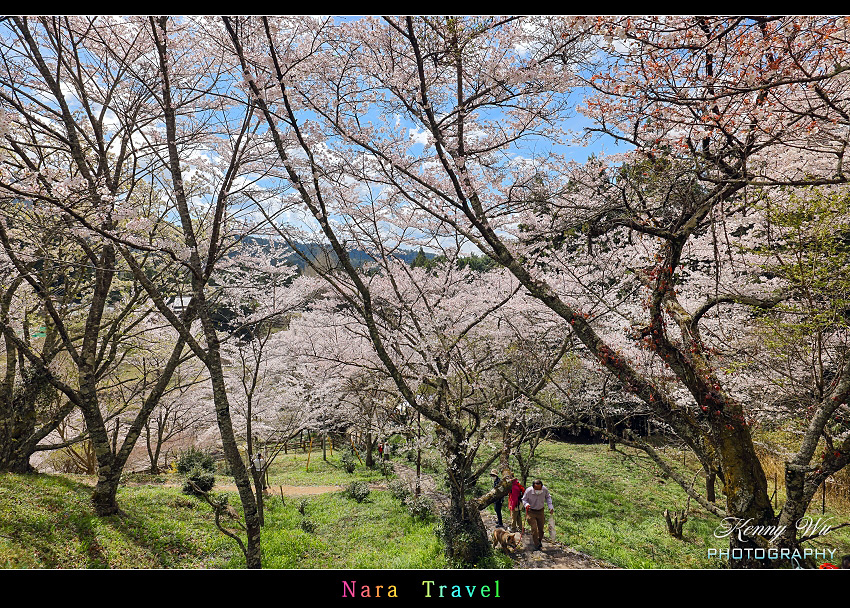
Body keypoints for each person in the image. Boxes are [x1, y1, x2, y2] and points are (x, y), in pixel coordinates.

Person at [522, 479, 554, 551]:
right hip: (531, 511)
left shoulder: (544, 490)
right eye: (536, 489)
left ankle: (539, 541)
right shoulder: (528, 491)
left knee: (541, 529)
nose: (538, 490)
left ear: (542, 487)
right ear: (533, 487)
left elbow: (548, 497)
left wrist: (550, 507)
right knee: (534, 528)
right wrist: (526, 504)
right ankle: (536, 544)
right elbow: (524, 499)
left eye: (539, 489)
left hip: (540, 511)